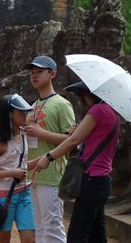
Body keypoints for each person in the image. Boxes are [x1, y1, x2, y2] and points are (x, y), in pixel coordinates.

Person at [32, 81, 121, 242]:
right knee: (96, 234)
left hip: (91, 179)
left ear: (88, 94)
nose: (81, 100)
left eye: (81, 95)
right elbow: (89, 141)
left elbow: (73, 141)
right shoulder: (112, 113)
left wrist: (49, 156)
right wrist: (78, 131)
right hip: (101, 181)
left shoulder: (97, 110)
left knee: (77, 235)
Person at [23, 55, 75, 243]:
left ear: (52, 74)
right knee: (38, 227)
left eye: (39, 72)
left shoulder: (62, 104)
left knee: (52, 226)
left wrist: (42, 133)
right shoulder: (31, 106)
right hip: (32, 174)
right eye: (32, 72)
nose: (34, 76)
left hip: (52, 174)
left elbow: (72, 140)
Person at [0, 94, 35, 243]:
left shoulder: (24, 136)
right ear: (10, 114)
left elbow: (23, 166)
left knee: (29, 239)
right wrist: (13, 173)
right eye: (21, 112)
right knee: (4, 238)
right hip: (4, 196)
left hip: (24, 193)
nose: (25, 115)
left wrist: (47, 157)